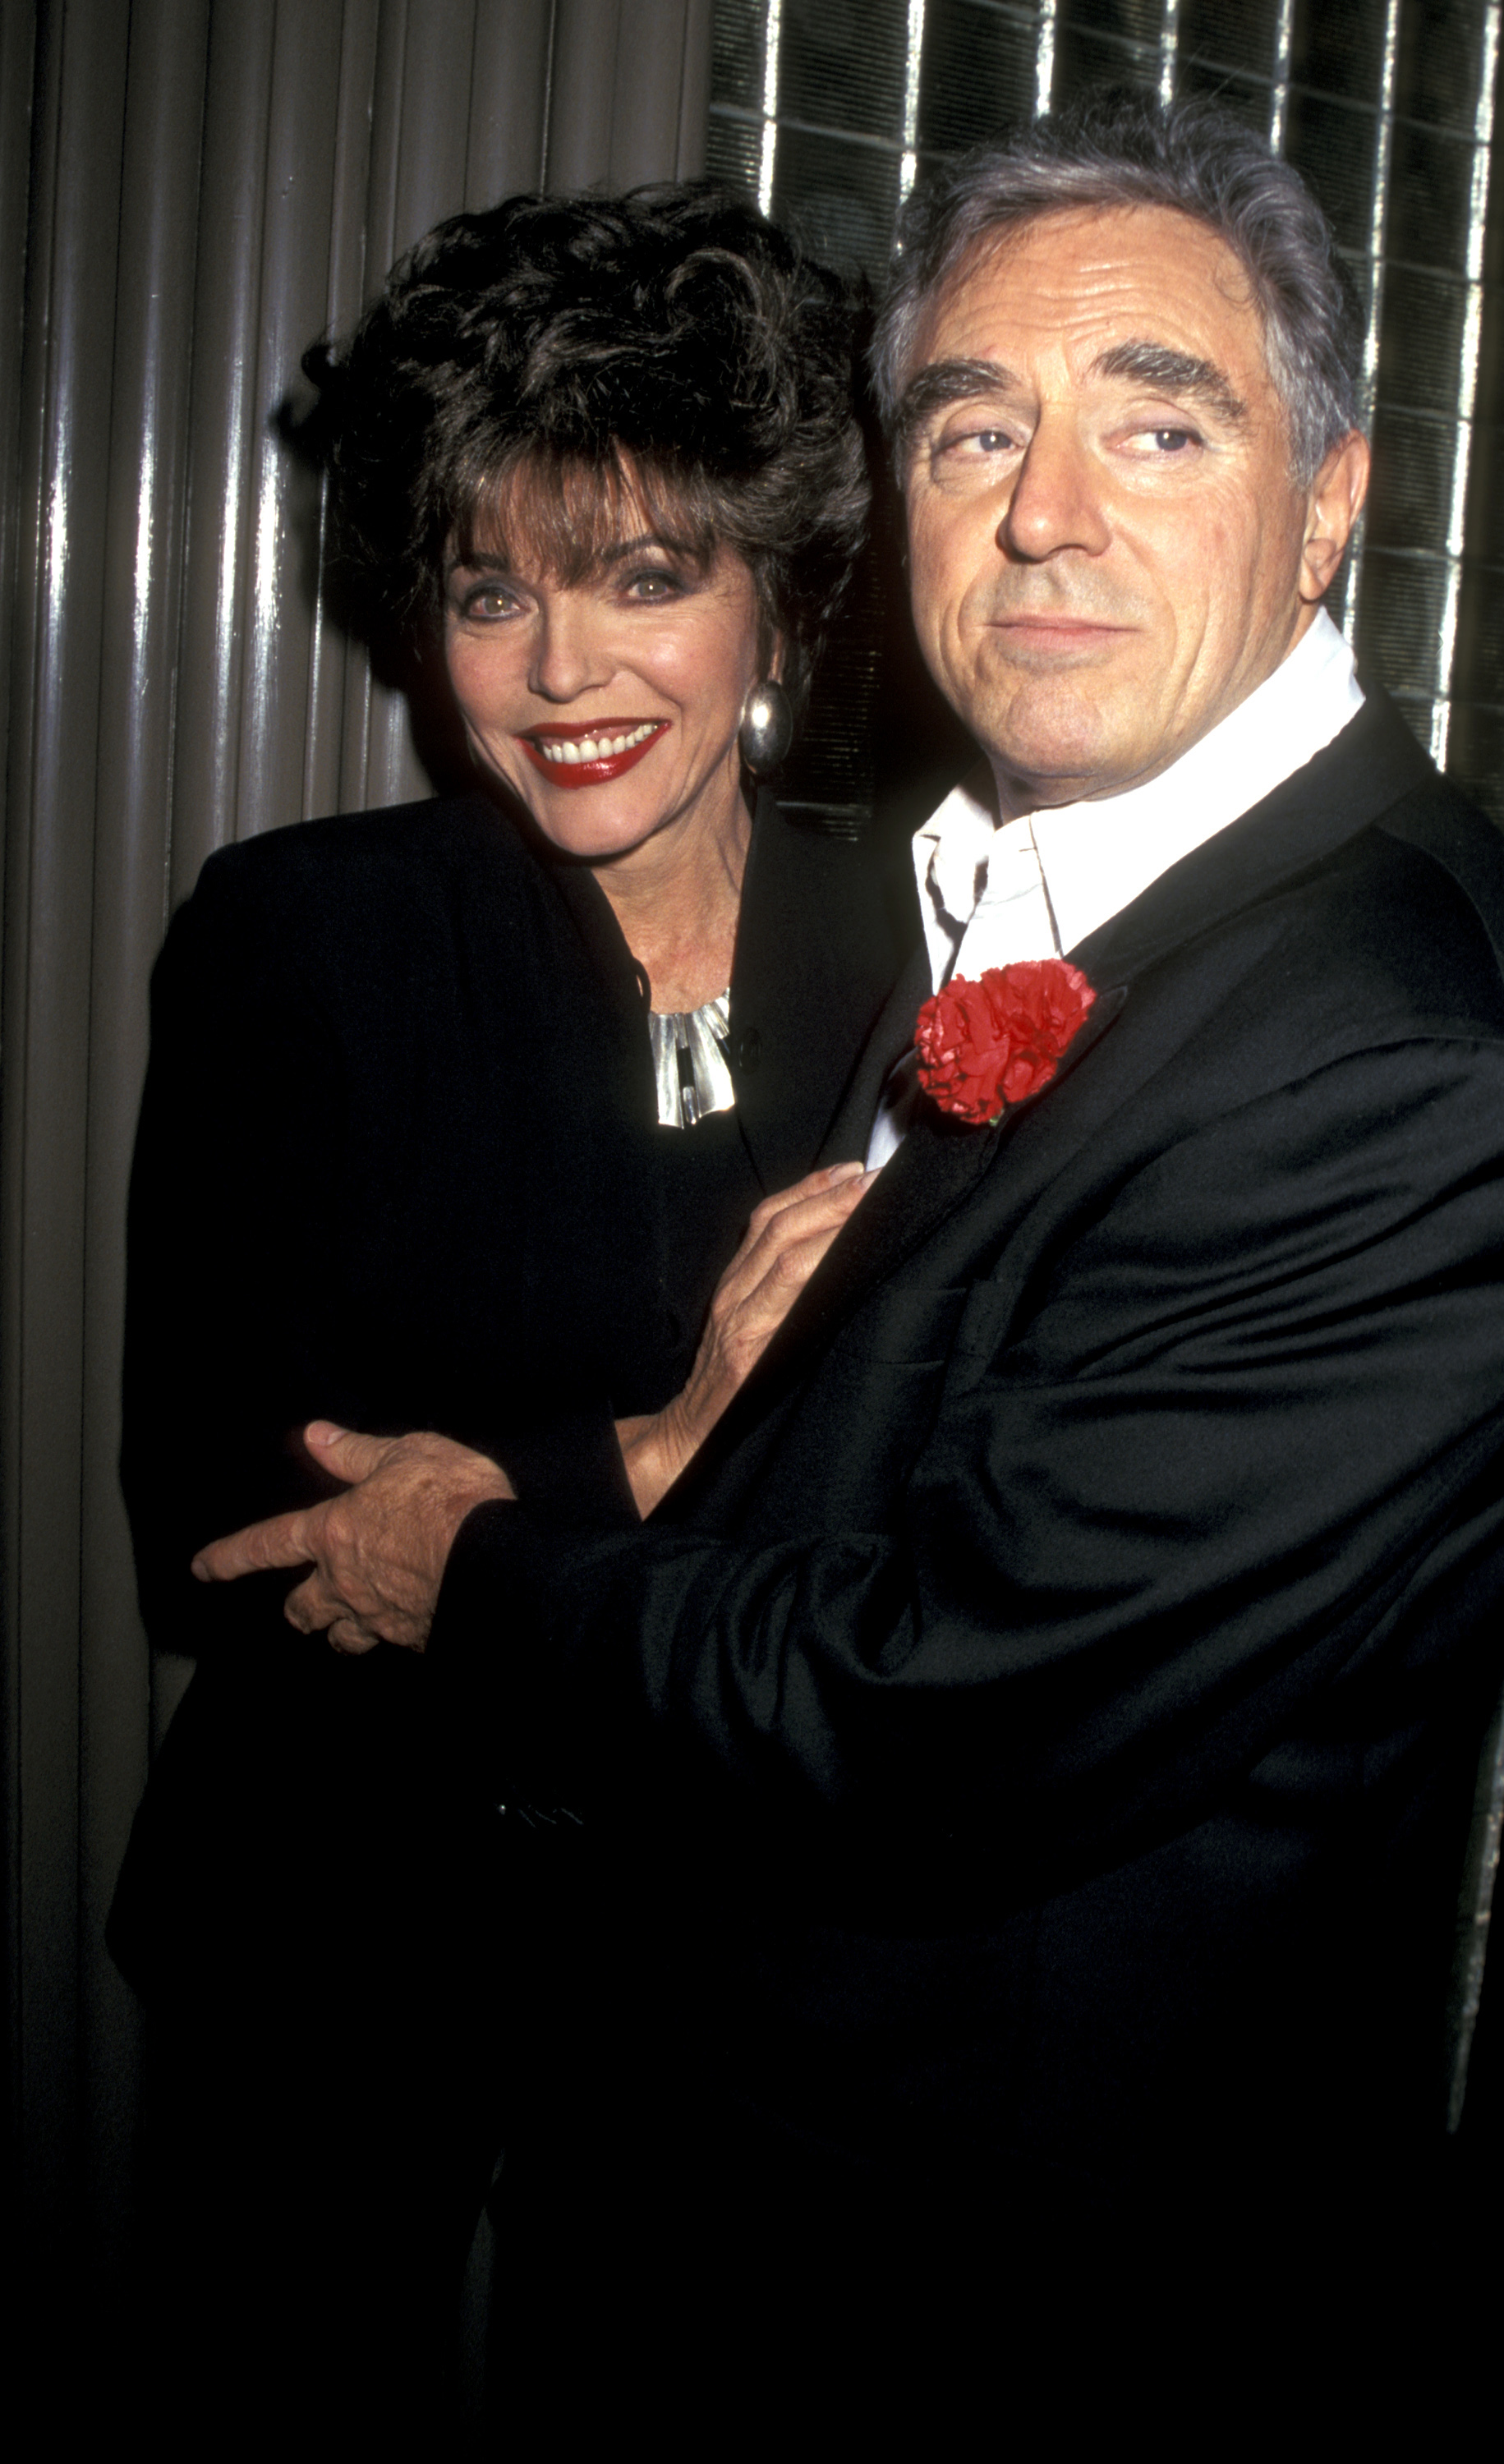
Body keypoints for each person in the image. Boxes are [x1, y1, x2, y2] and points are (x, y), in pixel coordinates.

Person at [199, 90, 1504, 2262]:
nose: (1043, 512)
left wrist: (494, 1552)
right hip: (475, 1999)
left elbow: (946, 1705)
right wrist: (671, 1442)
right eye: (973, 430)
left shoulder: (1399, 1056)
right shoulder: (1053, 891)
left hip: (944, 2209)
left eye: (1157, 427)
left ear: (1329, 504)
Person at [110, 184, 909, 2428]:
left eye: (647, 576)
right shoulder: (299, 939)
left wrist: (462, 1520)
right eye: (494, 592)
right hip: (334, 1923)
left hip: (730, 1945)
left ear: (776, 598)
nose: (563, 675)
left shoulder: (931, 949)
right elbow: (211, 1505)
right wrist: (650, 1459)